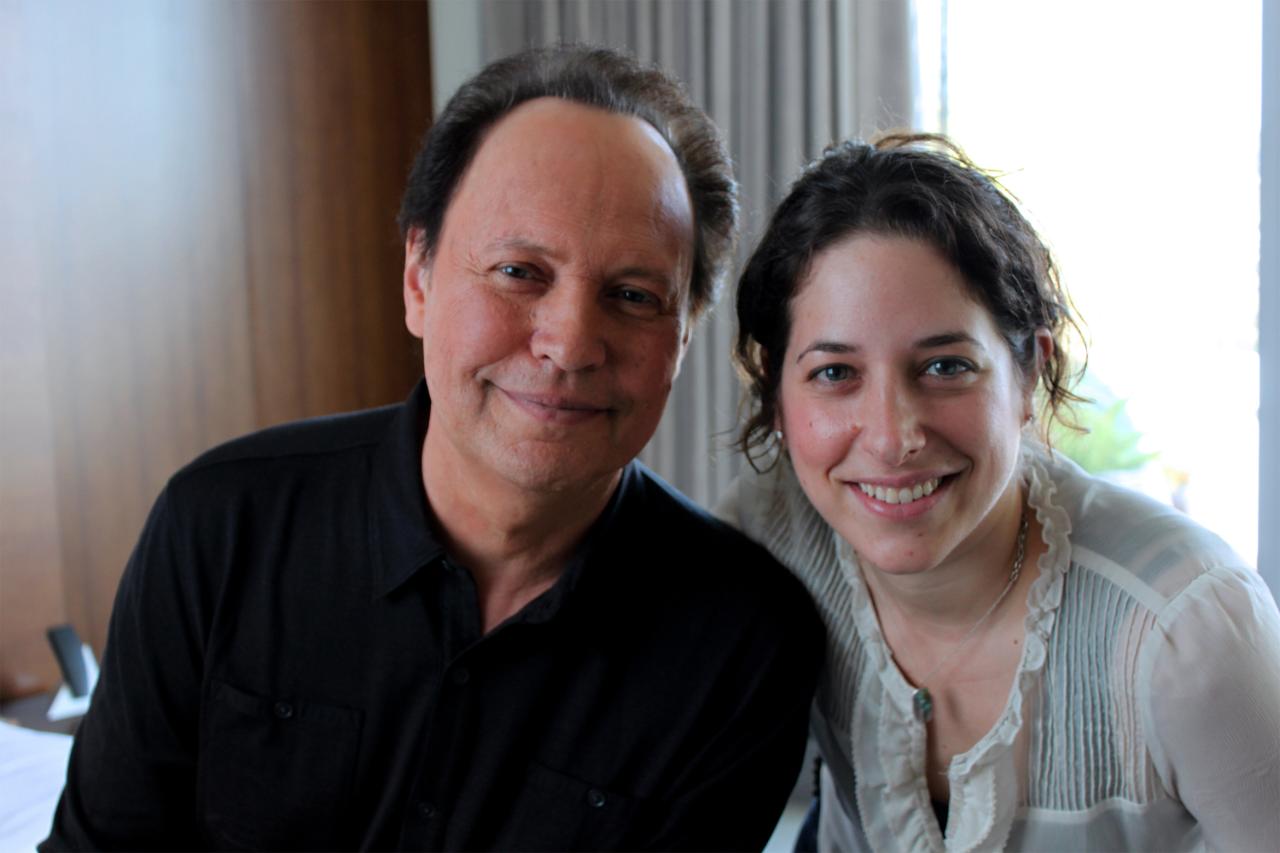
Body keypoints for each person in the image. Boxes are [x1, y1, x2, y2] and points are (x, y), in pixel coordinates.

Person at [43, 46, 823, 851]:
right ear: (418, 278)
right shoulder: (220, 529)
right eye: (520, 271)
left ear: (685, 335)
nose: (568, 343)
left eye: (632, 294)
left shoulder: (741, 643)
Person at [719, 133, 1280, 851]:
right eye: (835, 373)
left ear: (1027, 374)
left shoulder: (1184, 631)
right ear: (774, 391)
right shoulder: (767, 537)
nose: (892, 437)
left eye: (946, 366)